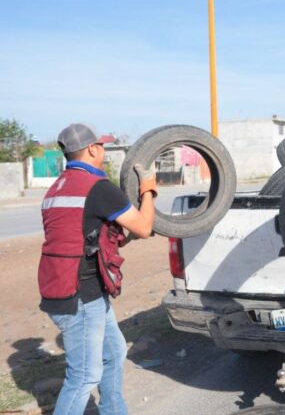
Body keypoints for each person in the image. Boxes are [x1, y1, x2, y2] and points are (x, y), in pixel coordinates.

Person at [38, 123, 157, 415]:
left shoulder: (56, 188)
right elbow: (143, 227)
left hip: (68, 288)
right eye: (101, 145)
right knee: (83, 377)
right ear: (92, 149)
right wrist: (149, 189)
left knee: (114, 353)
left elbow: (88, 239)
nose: (103, 150)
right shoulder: (98, 188)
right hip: (79, 295)